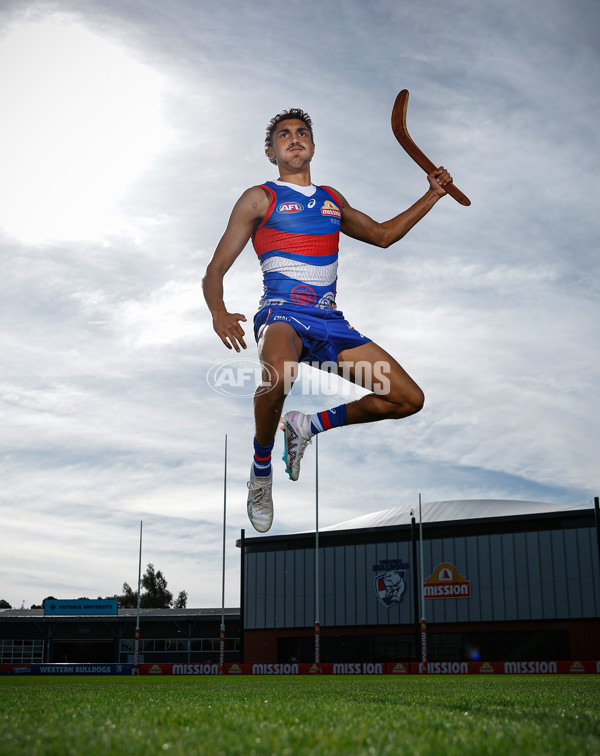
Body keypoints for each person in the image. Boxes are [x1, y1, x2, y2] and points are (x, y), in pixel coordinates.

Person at [203, 108, 454, 533]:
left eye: (302, 133)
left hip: (330, 322)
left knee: (409, 399)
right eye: (284, 135)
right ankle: (260, 471)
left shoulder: (332, 200)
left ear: (314, 147)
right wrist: (218, 311)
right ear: (271, 151)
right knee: (279, 374)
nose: (294, 138)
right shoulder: (259, 198)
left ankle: (308, 424)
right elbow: (214, 269)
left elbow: (383, 235)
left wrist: (432, 194)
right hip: (282, 313)